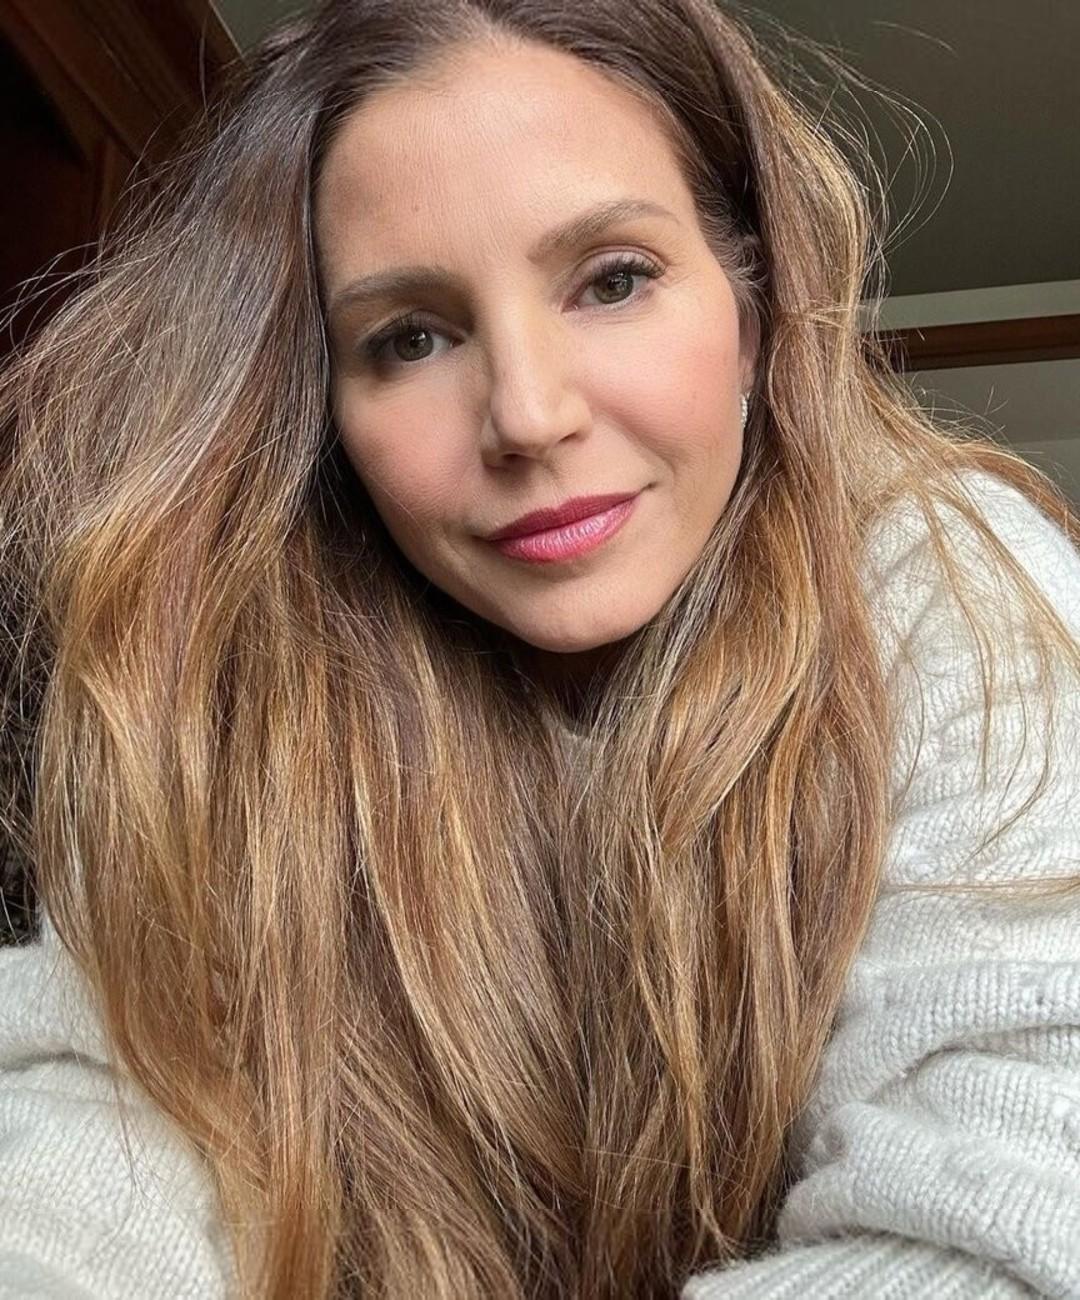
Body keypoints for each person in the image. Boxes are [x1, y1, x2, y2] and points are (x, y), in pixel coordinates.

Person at [1, 1, 1078, 1296]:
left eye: (613, 279)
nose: (526, 413)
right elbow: (95, 1130)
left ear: (753, 302)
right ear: (322, 409)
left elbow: (1018, 1216)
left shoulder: (954, 582)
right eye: (410, 338)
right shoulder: (236, 692)